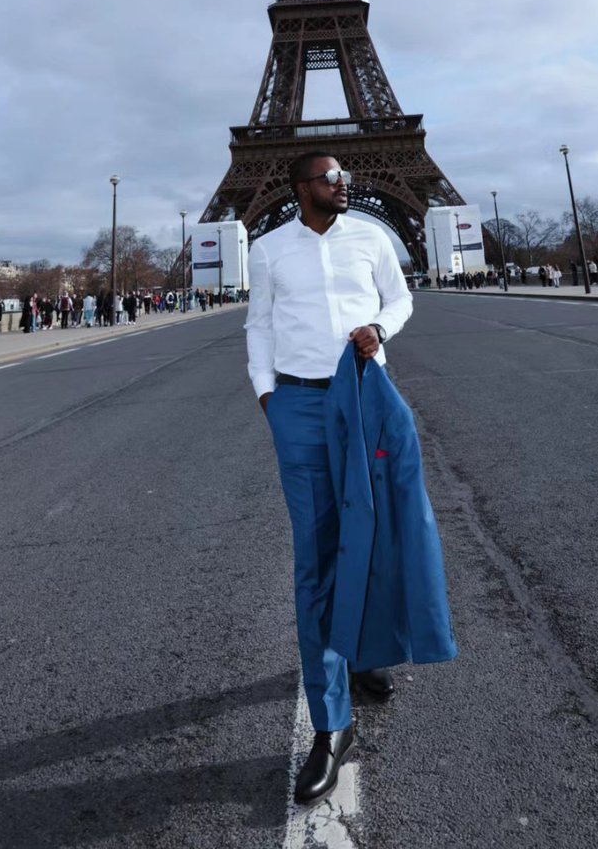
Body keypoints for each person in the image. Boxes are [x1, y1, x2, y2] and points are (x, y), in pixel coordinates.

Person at [246, 150, 451, 806]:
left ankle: (364, 650)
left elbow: (401, 298)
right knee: (317, 557)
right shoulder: (271, 248)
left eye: (347, 178)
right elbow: (258, 323)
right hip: (300, 405)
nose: (344, 185)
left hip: (365, 394)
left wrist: (380, 327)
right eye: (332, 178)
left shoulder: (372, 236)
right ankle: (332, 724)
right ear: (300, 187)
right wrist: (266, 396)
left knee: (381, 530)